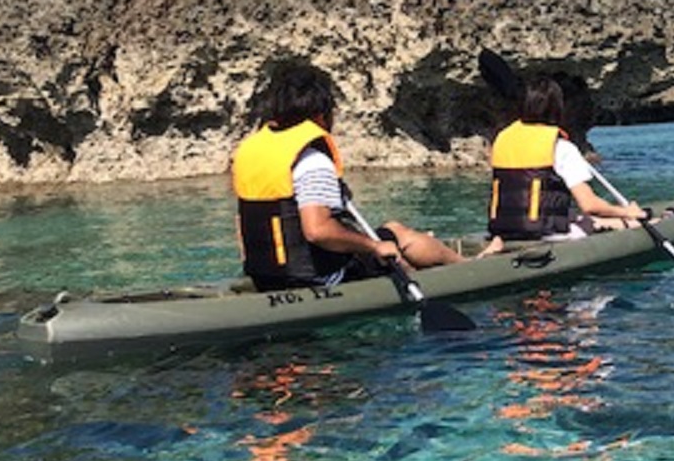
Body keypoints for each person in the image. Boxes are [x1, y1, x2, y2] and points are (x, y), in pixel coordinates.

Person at [231, 60, 466, 290]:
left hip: (265, 278)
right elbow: (318, 231)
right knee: (396, 234)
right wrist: (373, 246)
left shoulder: (250, 152)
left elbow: (242, 225)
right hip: (319, 279)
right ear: (322, 115)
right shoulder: (312, 160)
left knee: (384, 243)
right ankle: (468, 269)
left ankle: (428, 271)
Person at [487, 75, 647, 243]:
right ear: (558, 108)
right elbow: (589, 205)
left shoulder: (502, 140)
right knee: (608, 222)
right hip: (546, 234)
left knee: (589, 220)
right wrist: (628, 212)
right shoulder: (561, 147)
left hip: (502, 232)